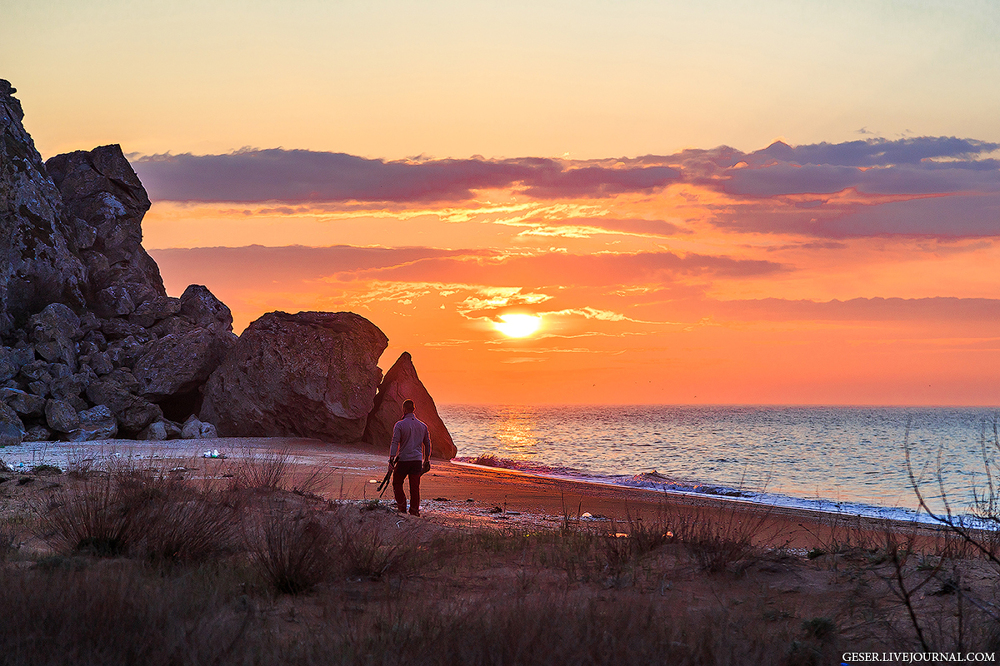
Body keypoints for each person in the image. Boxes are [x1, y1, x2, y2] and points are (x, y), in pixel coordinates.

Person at [388, 399, 431, 516]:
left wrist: (391, 459)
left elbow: (394, 442)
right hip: (417, 460)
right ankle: (414, 511)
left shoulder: (400, 425)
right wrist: (427, 459)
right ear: (414, 409)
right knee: (415, 487)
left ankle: (402, 507)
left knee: (397, 482)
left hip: (404, 459)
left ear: (404, 409)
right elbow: (427, 443)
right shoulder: (423, 426)